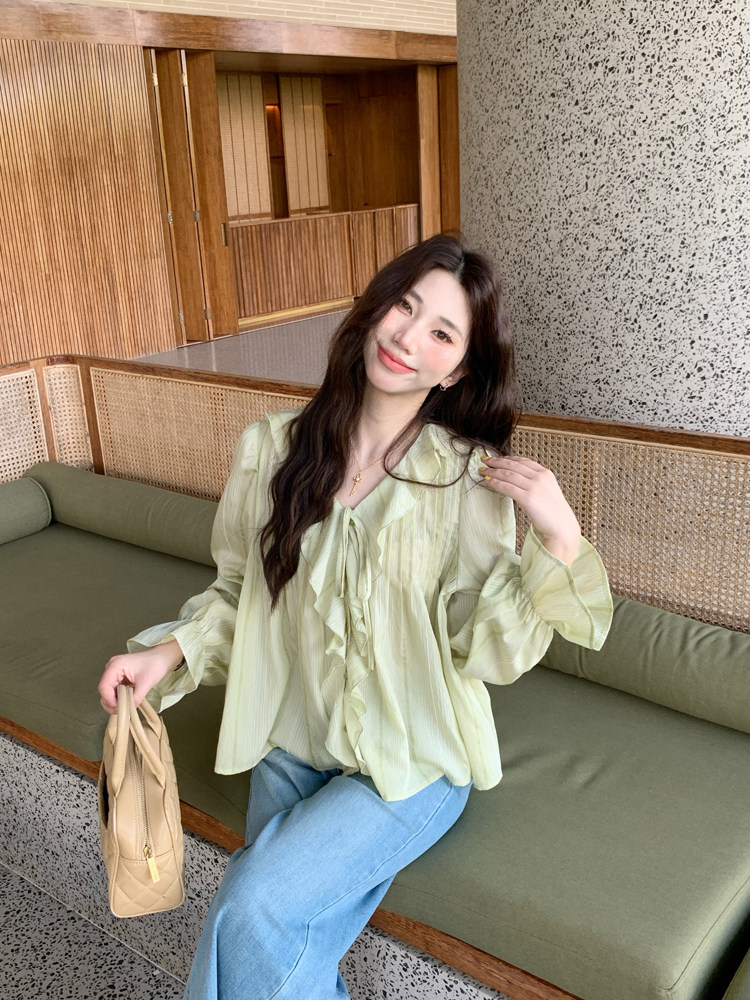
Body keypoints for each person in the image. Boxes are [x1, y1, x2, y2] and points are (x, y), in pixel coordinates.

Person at [98, 234, 612, 1000]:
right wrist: (166, 653)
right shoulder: (271, 450)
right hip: (291, 743)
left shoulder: (464, 481)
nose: (409, 337)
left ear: (457, 369)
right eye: (404, 306)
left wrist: (559, 539)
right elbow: (244, 595)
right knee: (281, 955)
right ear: (375, 309)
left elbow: (481, 649)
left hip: (413, 761)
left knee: (252, 909)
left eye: (442, 332)